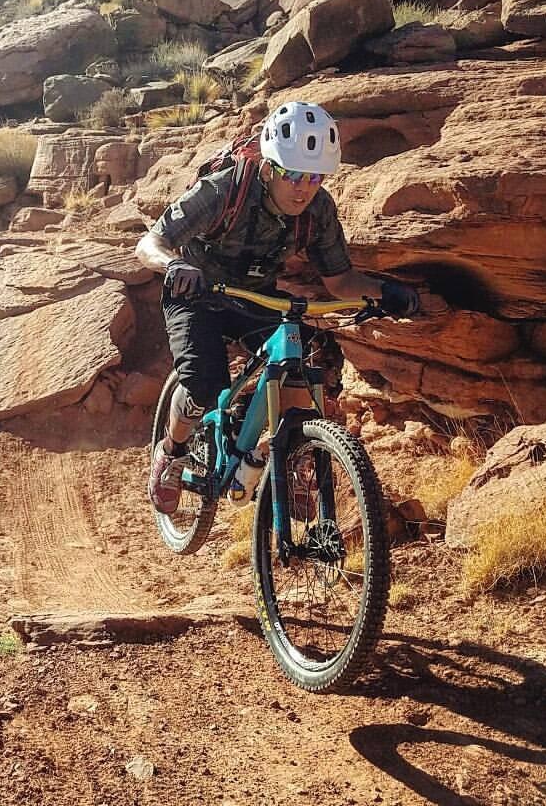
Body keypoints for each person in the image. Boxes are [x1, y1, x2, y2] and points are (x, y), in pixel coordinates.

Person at [135, 100, 420, 515]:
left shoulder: (318, 211)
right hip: (196, 291)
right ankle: (172, 452)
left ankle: (292, 457)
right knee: (204, 384)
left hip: (256, 296)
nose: (304, 187)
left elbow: (340, 281)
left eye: (315, 176)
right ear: (269, 168)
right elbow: (151, 242)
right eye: (293, 174)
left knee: (302, 367)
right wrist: (174, 264)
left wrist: (388, 292)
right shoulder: (224, 190)